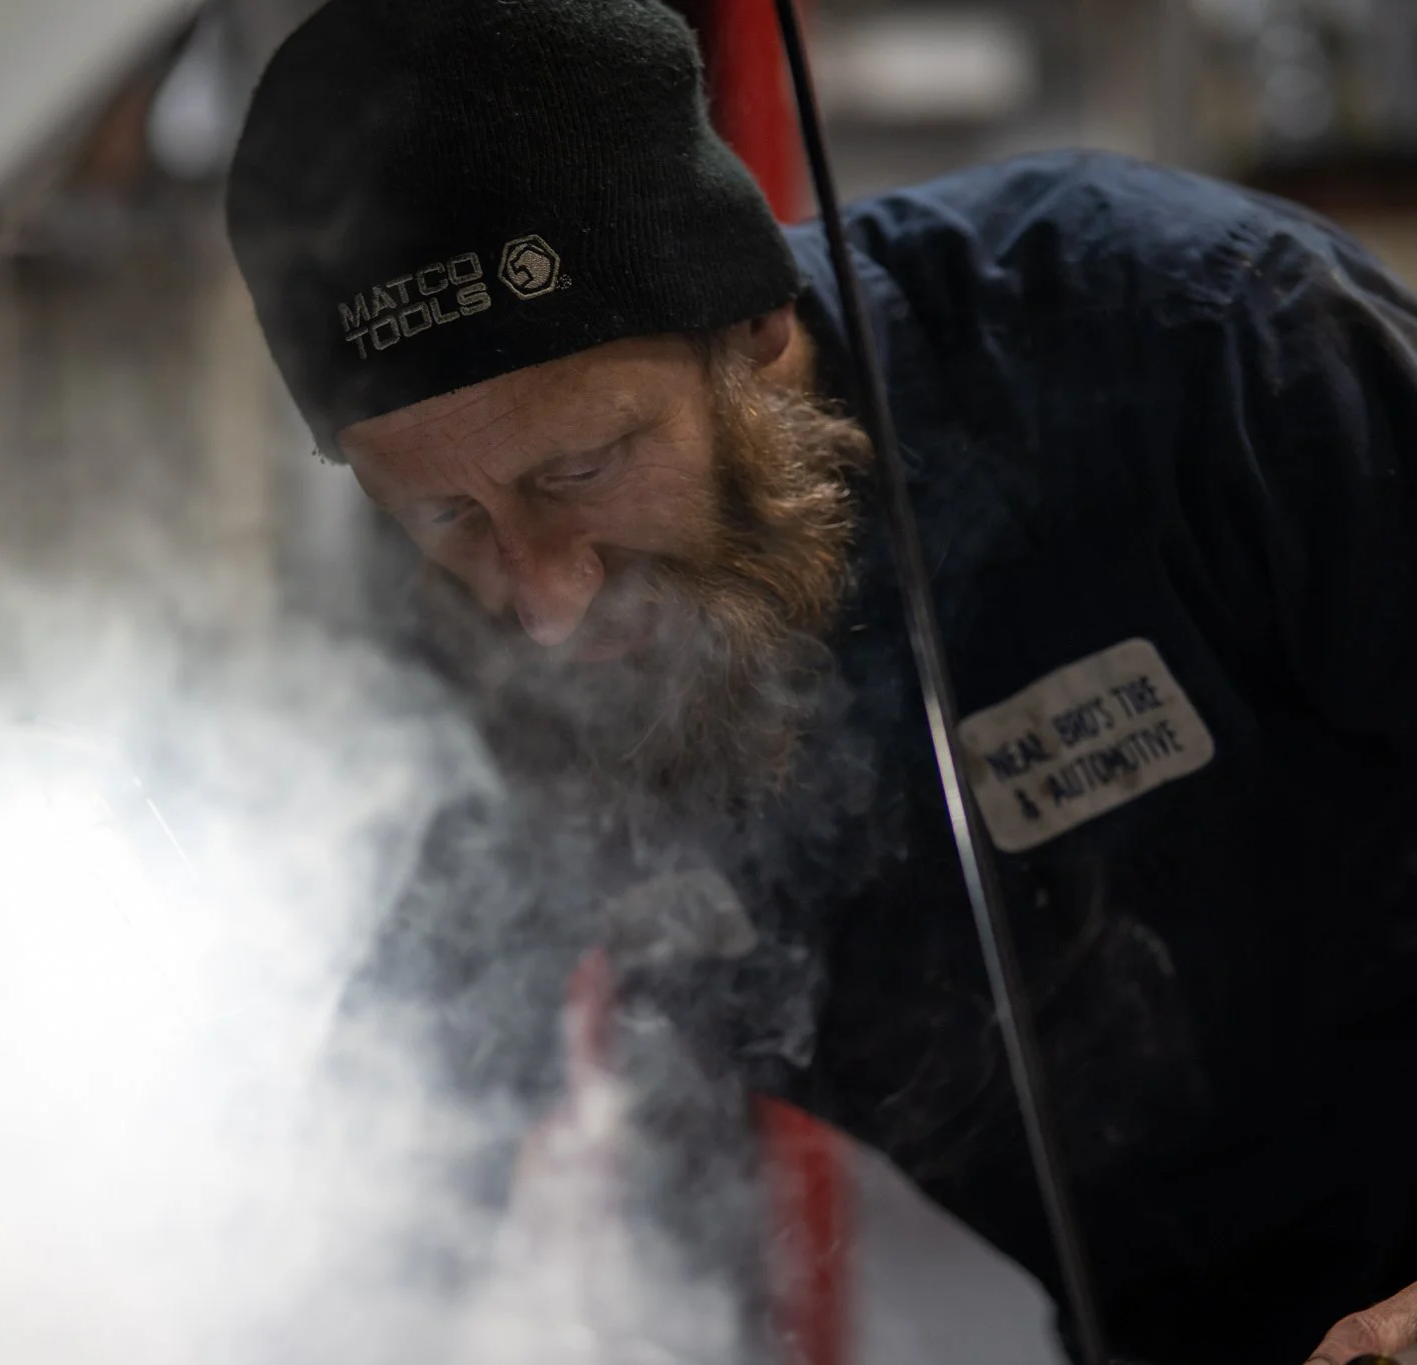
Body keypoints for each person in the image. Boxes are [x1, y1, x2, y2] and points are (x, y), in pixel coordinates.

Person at [223, 2, 1417, 1362]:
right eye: (447, 517)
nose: (544, 603)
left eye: (581, 471)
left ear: (754, 323)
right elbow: (412, 1133)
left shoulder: (1205, 342)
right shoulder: (461, 654)